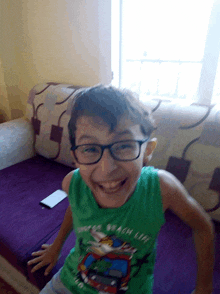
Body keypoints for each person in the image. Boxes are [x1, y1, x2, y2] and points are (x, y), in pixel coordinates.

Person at [28, 85, 214, 294]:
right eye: (89, 148)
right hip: (68, 283)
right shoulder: (72, 183)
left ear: (147, 151)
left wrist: (204, 287)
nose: (108, 169)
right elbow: (76, 206)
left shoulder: (162, 188)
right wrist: (56, 246)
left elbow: (202, 227)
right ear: (76, 157)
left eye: (124, 145)